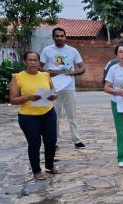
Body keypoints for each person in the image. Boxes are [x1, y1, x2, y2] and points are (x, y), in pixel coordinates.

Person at [9, 51, 60, 180]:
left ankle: (49, 166)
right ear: (24, 62)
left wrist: (53, 96)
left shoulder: (45, 75)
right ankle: (36, 170)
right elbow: (13, 100)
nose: (33, 63)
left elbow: (53, 93)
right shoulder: (17, 77)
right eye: (30, 60)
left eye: (35, 60)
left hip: (48, 112)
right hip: (28, 116)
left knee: (51, 141)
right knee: (34, 143)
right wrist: (28, 97)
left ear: (39, 62)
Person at [40, 27, 86, 148]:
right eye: (57, 36)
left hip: (69, 86)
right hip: (51, 87)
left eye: (62, 36)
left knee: (72, 115)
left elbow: (82, 68)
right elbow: (39, 67)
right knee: (53, 115)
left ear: (65, 37)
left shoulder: (72, 51)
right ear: (53, 37)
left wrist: (73, 73)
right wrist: (48, 72)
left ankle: (76, 140)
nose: (59, 38)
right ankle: (54, 140)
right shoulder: (47, 50)